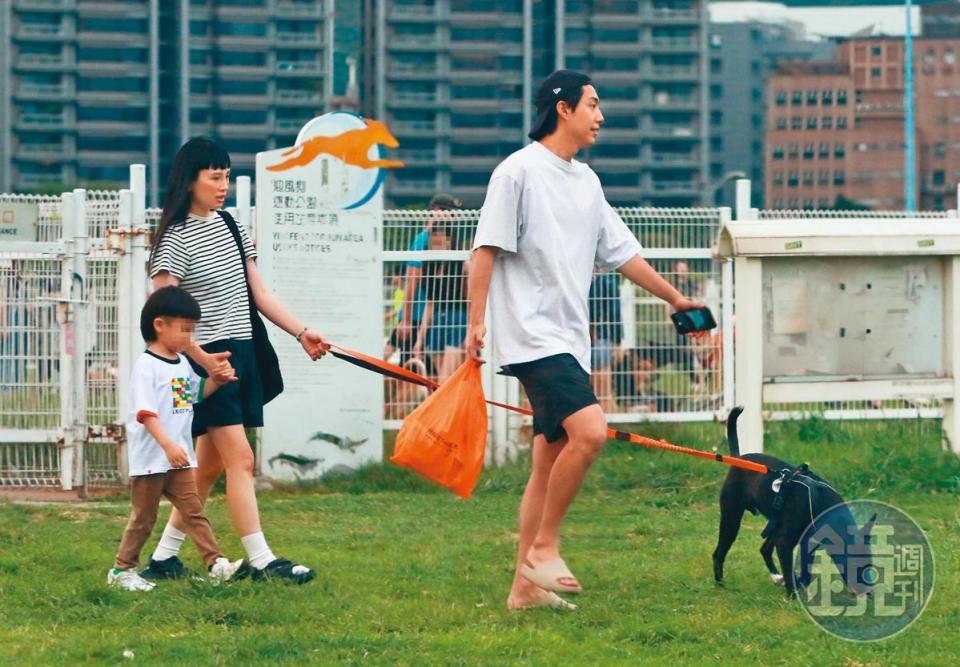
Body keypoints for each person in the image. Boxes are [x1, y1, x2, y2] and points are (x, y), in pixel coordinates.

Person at [466, 70, 702, 610]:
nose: (601, 116)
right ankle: (544, 548)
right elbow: (484, 251)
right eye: (593, 105)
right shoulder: (517, 173)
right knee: (591, 433)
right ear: (562, 109)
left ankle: (524, 590)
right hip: (532, 336)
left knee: (547, 462)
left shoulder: (586, 181)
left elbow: (621, 253)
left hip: (570, 339)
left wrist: (675, 299)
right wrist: (478, 323)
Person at [146, 137, 330, 584]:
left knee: (209, 465)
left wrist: (302, 333)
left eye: (226, 176)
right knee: (242, 461)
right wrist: (204, 360)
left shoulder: (231, 224)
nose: (223, 185)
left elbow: (259, 293)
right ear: (190, 180)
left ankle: (164, 557)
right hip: (205, 363)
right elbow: (165, 316)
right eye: (215, 177)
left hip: (241, 353)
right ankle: (262, 560)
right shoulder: (173, 240)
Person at [108, 286, 244, 591]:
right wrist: (167, 445)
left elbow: (192, 396)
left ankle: (216, 563)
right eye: (184, 330)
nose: (189, 338)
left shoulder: (181, 364)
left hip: (179, 458)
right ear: (159, 325)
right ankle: (121, 571)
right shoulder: (147, 367)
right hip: (152, 459)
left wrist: (216, 382)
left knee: (194, 511)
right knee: (145, 517)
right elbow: (146, 414)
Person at [384, 193, 464, 365]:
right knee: (409, 371)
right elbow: (412, 281)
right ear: (435, 211)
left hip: (431, 318)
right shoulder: (425, 240)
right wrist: (405, 320)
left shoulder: (447, 240)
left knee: (419, 371)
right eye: (449, 212)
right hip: (415, 315)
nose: (453, 217)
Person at [413, 222, 469, 384]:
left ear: (450, 240)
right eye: (433, 238)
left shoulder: (464, 265)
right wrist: (420, 338)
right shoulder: (430, 267)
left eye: (441, 238)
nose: (436, 243)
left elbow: (471, 301)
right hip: (437, 322)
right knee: (441, 381)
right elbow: (429, 305)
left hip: (458, 321)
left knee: (446, 380)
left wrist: (470, 330)